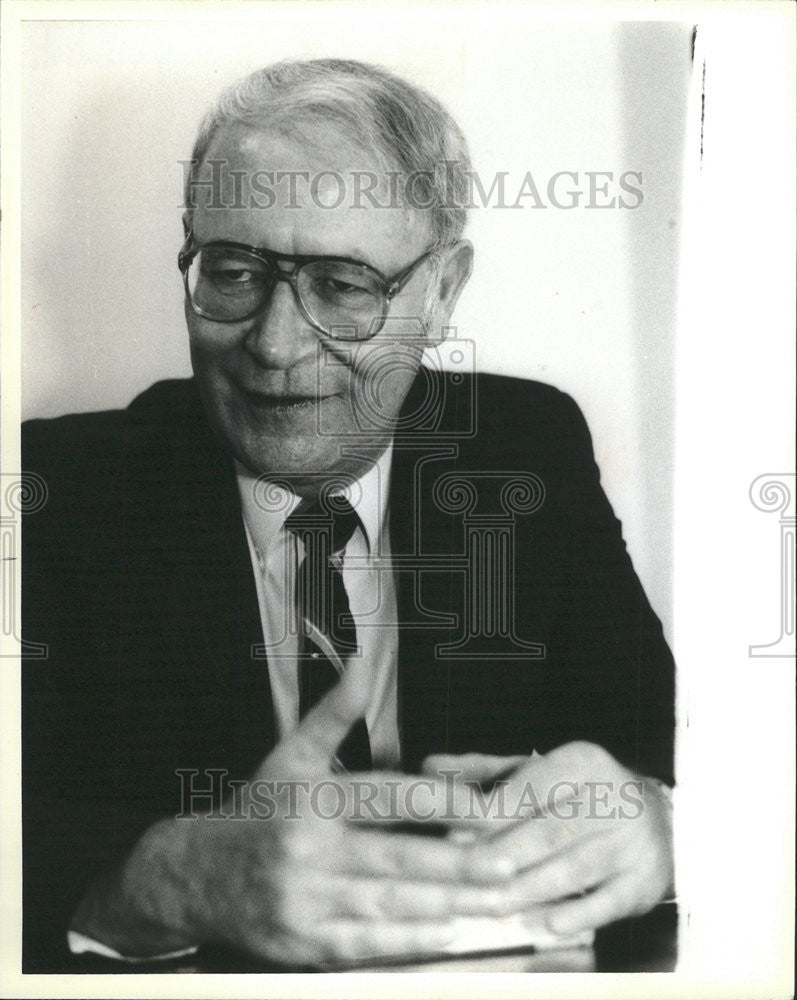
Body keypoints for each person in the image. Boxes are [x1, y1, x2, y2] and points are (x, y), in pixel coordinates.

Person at [22, 57, 675, 972]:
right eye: (235, 270)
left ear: (441, 293)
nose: (277, 345)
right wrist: (167, 878)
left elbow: (659, 735)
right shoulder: (50, 492)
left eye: (343, 286)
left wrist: (648, 815)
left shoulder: (527, 447)